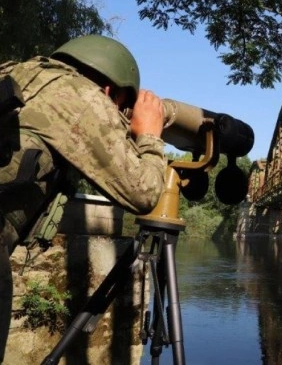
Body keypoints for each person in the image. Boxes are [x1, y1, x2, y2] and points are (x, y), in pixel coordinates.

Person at [0, 34, 166, 362]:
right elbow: (143, 192)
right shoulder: (84, 96)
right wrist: (149, 134)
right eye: (121, 107)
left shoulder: (15, 72)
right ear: (110, 91)